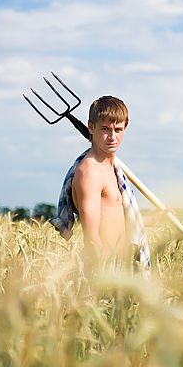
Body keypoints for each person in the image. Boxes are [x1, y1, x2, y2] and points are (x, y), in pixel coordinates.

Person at [50, 96, 150, 273]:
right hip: (103, 273)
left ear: (125, 129)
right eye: (105, 129)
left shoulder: (112, 169)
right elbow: (92, 237)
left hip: (121, 270)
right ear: (91, 127)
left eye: (118, 129)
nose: (112, 137)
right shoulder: (90, 172)